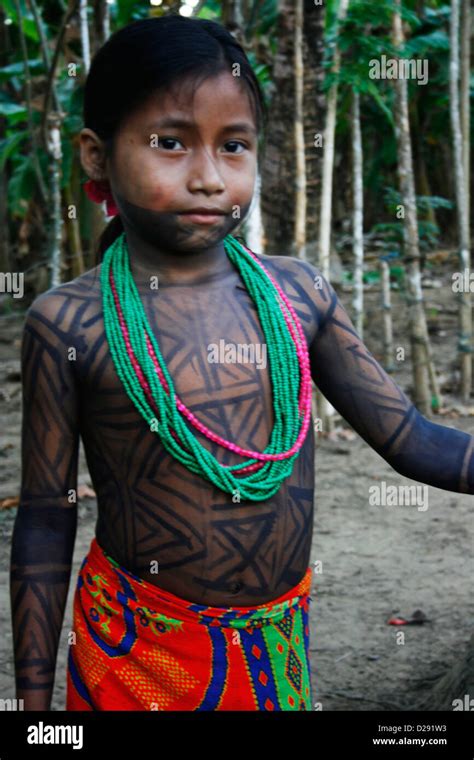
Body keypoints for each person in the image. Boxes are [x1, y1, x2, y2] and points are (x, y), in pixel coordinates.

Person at [10, 15, 474, 712]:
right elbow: (46, 518)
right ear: (96, 156)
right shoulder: (70, 323)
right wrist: (29, 705)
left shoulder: (298, 295)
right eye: (169, 142)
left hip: (275, 645)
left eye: (234, 147)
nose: (206, 177)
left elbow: (409, 438)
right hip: (135, 651)